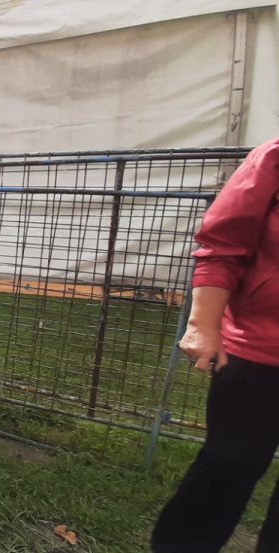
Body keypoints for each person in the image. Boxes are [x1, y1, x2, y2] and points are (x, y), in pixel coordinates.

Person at [151, 138, 279, 553]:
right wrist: (202, 323)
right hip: (260, 348)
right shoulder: (273, 157)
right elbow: (223, 243)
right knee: (231, 462)